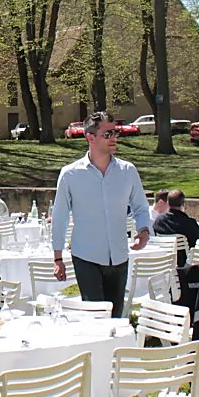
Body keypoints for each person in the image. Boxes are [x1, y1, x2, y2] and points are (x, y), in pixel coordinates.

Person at [50, 110, 151, 317]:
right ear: (90, 137)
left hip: (120, 256)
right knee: (95, 318)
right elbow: (59, 217)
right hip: (86, 257)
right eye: (107, 134)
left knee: (115, 318)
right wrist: (57, 258)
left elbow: (141, 207)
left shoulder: (128, 171)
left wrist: (144, 230)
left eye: (115, 133)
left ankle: (115, 350)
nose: (114, 138)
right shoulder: (70, 174)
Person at [152, 189, 199, 264]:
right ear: (183, 204)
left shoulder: (159, 221)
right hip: (184, 263)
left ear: (168, 203)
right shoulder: (189, 223)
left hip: (165, 262)